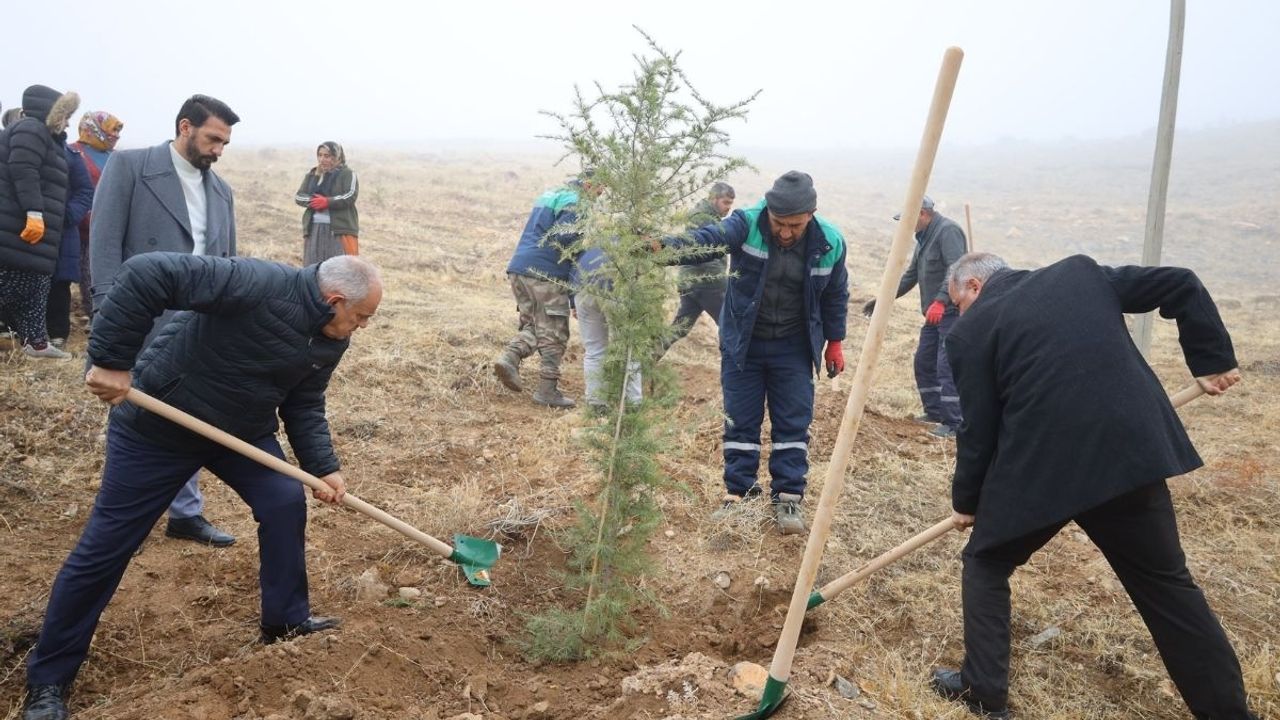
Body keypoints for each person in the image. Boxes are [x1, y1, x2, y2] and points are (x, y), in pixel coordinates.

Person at [21, 252, 381, 720]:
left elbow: (305, 400)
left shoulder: (332, 335)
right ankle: (49, 677)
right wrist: (111, 360)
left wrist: (323, 467)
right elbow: (148, 274)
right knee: (108, 545)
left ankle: (285, 622)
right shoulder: (258, 283)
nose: (362, 327)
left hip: (240, 433)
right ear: (334, 300)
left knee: (283, 501)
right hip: (159, 425)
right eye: (361, 317)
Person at [931, 252, 1257, 720]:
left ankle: (983, 692)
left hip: (1044, 472)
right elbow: (1180, 282)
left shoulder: (971, 332)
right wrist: (1212, 359)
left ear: (974, 287)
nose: (960, 312)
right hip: (1129, 456)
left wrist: (967, 502)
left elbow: (979, 430)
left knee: (986, 561)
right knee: (1167, 586)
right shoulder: (1080, 274)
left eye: (958, 301)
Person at [89, 94, 240, 547]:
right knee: (132, 416)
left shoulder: (221, 190)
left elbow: (227, 263)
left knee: (189, 411)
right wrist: (109, 316)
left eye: (225, 143)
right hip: (140, 314)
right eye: (213, 138)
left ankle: (185, 514)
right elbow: (104, 243)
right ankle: (122, 520)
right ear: (185, 127)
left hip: (195, 324)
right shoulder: (131, 167)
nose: (218, 150)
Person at [667, 171, 848, 535]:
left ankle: (788, 497)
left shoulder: (830, 242)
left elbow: (835, 295)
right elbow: (707, 239)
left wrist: (836, 341)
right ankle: (739, 494)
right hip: (743, 344)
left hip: (794, 348)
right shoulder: (747, 222)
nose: (784, 232)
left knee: (793, 422)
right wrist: (662, 249)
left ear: (811, 214)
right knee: (740, 420)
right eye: (778, 222)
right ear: (768, 210)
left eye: (794, 225)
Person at [493, 171, 599, 408]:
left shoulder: (553, 194)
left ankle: (510, 357)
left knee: (533, 324)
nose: (600, 196)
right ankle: (547, 390)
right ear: (590, 184)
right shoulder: (577, 202)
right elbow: (567, 241)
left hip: (519, 268)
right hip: (546, 273)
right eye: (600, 190)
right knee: (555, 332)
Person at [863, 195, 966, 438]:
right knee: (924, 360)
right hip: (934, 314)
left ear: (922, 213)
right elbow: (911, 275)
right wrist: (884, 300)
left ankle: (955, 423)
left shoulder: (947, 231)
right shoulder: (923, 239)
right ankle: (935, 412)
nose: (905, 225)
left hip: (950, 311)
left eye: (909, 219)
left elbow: (957, 269)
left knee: (945, 364)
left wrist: (941, 300)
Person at [0, 85, 79, 360]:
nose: (68, 121)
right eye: (65, 114)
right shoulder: (31, 130)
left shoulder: (45, 136)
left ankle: (36, 342)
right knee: (15, 284)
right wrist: (34, 211)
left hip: (30, 237)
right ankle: (34, 341)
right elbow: (24, 169)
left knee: (33, 286)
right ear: (51, 112)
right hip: (15, 229)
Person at [657, 182, 734, 357]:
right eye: (726, 203)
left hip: (692, 283)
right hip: (705, 283)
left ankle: (646, 360)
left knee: (680, 328)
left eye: (731, 204)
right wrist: (725, 284)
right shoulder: (703, 218)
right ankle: (734, 368)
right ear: (714, 199)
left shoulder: (704, 216)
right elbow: (704, 255)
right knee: (730, 325)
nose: (728, 208)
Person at [574, 243, 642, 414]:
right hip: (615, 290)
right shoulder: (633, 242)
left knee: (594, 349)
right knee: (629, 348)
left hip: (582, 289)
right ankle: (633, 404)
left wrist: (571, 301)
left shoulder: (593, 243)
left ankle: (596, 405)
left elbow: (573, 268)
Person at [69, 111, 124, 316]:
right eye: (112, 129)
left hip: (107, 225)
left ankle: (99, 314)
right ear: (92, 128)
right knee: (76, 271)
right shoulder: (74, 152)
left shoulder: (116, 157)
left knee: (99, 273)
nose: (116, 135)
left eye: (118, 130)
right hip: (77, 223)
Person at [44, 142, 95, 348]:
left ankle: (57, 334)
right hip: (24, 227)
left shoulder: (71, 155)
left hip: (63, 230)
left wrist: (68, 215)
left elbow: (84, 191)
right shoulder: (22, 149)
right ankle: (25, 334)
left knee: (59, 281)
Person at [295, 141, 359, 266]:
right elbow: (299, 196)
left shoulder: (348, 174)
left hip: (339, 231)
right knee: (312, 269)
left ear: (337, 157)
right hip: (314, 229)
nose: (322, 159)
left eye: (327, 156)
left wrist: (327, 202)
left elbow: (350, 195)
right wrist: (314, 202)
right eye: (320, 155)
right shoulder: (314, 174)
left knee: (341, 271)